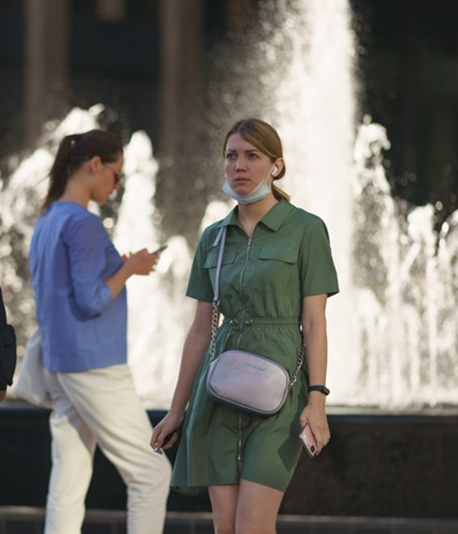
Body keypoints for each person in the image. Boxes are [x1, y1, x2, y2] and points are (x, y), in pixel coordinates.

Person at [151, 118, 339, 533]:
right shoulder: (214, 237)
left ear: (276, 165)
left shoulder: (306, 229)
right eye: (232, 156)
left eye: (252, 156)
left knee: (253, 525)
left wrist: (318, 398)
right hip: (218, 391)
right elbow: (201, 330)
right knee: (227, 527)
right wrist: (176, 410)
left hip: (281, 391)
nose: (240, 165)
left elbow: (314, 320)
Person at [29, 129, 172, 534]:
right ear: (95, 165)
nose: (117, 184)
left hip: (59, 364)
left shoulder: (48, 219)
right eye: (116, 174)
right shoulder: (82, 223)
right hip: (93, 364)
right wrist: (130, 268)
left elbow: (60, 292)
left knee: (69, 481)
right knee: (151, 474)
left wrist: (117, 269)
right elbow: (92, 300)